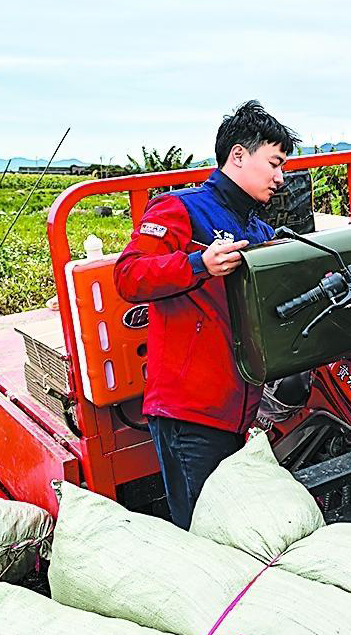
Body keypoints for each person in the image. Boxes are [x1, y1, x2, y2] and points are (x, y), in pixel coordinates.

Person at [114, 100, 298, 529]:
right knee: (200, 532)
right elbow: (129, 275)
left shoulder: (258, 229)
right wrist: (199, 264)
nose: (280, 177)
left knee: (231, 528)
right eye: (274, 163)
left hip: (238, 410)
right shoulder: (180, 209)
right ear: (239, 155)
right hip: (190, 412)